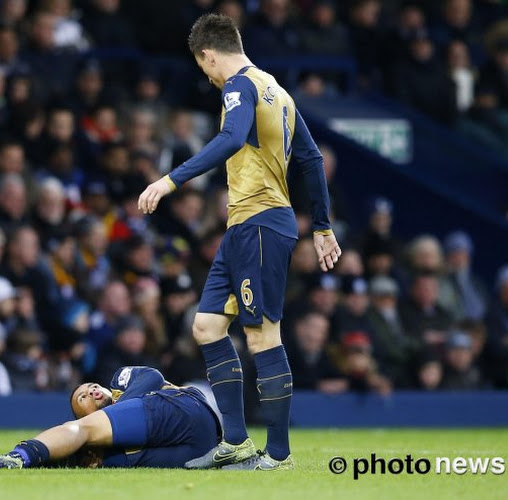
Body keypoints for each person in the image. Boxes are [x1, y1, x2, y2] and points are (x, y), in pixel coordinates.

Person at [137, 14, 340, 471]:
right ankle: (235, 442)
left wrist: (171, 180)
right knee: (207, 327)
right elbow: (309, 157)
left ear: (208, 54)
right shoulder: (278, 91)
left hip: (261, 225)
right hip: (245, 226)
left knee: (262, 335)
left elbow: (230, 139)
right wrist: (322, 225)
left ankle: (280, 455)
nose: (207, 77)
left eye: (203, 66)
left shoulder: (238, 87)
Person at [0, 366, 220, 469]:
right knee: (94, 461)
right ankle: (27, 461)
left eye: (90, 387)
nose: (91, 391)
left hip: (181, 409)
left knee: (84, 435)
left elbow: (152, 376)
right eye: (83, 399)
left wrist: (104, 417)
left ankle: (17, 457)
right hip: (200, 445)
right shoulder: (103, 446)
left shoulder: (119, 382)